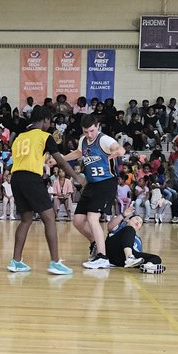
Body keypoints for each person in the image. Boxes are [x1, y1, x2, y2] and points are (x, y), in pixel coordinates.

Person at [7, 105, 83, 274]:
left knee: (26, 220)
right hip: (31, 178)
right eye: (49, 121)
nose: (49, 125)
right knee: (49, 217)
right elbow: (61, 161)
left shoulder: (19, 137)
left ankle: (16, 261)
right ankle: (55, 262)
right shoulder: (45, 136)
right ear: (45, 120)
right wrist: (77, 178)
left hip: (16, 178)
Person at [70, 114, 123, 270]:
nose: (89, 135)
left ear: (97, 127)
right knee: (78, 221)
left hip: (106, 183)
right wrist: (60, 158)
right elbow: (78, 153)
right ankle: (96, 243)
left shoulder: (104, 140)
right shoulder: (83, 140)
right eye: (86, 132)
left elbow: (118, 148)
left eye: (92, 131)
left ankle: (103, 257)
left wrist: (117, 152)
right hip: (92, 184)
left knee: (93, 218)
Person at [104, 207, 164, 274]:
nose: (138, 222)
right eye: (137, 219)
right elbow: (109, 226)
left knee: (156, 258)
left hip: (122, 260)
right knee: (129, 229)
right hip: (113, 250)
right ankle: (129, 257)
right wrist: (123, 215)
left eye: (140, 223)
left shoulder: (138, 239)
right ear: (127, 220)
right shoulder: (120, 227)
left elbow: (138, 253)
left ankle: (147, 266)